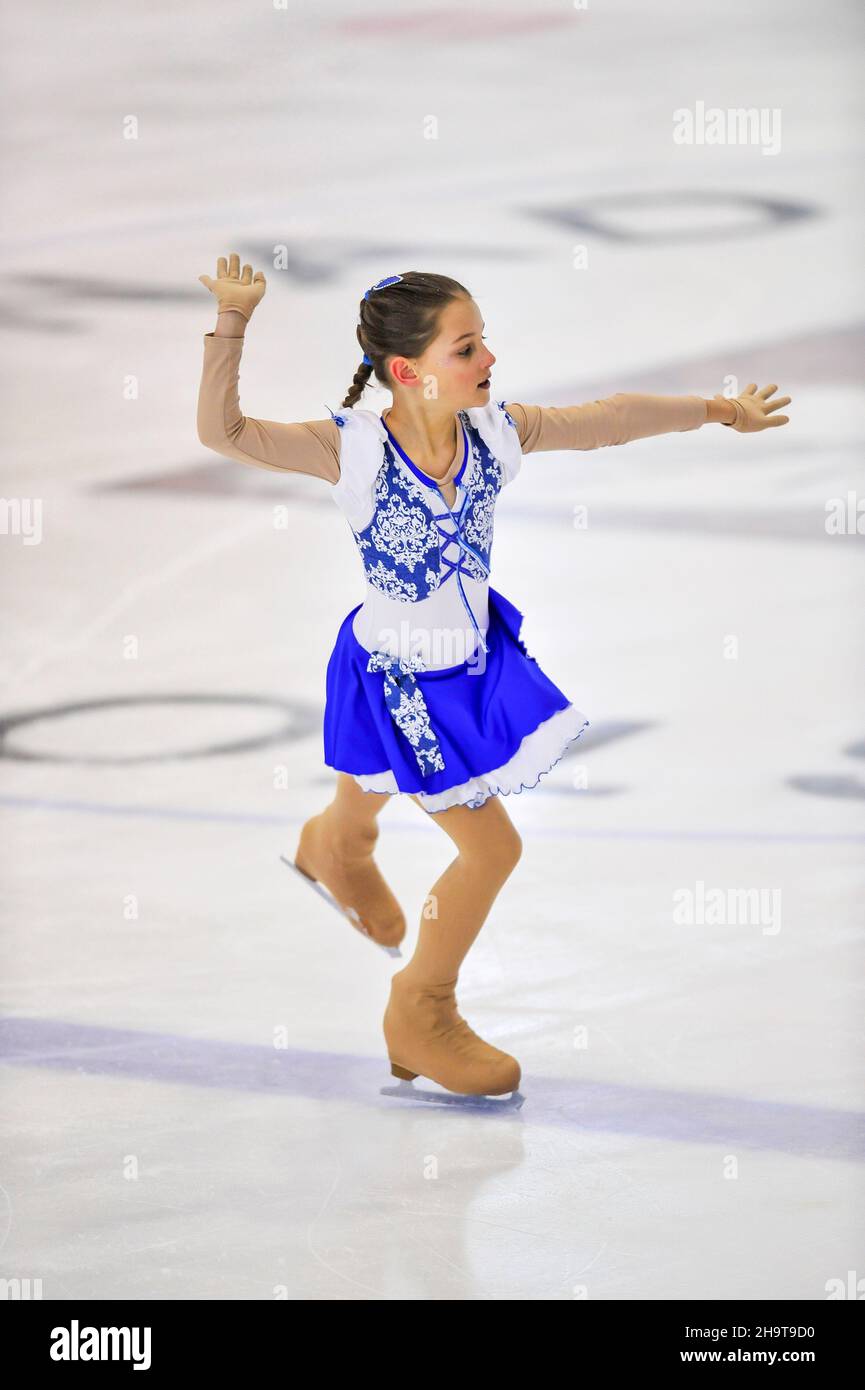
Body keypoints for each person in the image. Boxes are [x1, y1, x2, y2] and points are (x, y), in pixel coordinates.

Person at [197, 253, 791, 1101]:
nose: (488, 360)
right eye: (466, 347)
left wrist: (721, 411)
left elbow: (608, 418)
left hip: (468, 665)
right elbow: (225, 435)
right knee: (493, 848)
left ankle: (336, 843)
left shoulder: (491, 433)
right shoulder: (354, 449)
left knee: (372, 785)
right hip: (397, 679)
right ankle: (421, 1007)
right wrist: (232, 322)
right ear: (408, 372)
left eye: (482, 342)